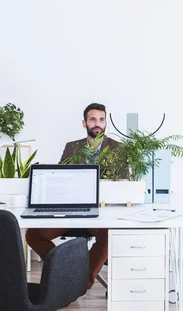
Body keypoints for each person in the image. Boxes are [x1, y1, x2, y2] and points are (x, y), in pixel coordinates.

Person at [25, 103, 120, 290]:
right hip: (71, 209)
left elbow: (123, 183)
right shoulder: (72, 147)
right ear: (84, 123)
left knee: (111, 234)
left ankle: (82, 283)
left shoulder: (117, 148)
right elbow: (61, 177)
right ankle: (65, 271)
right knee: (33, 234)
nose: (97, 124)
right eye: (92, 119)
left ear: (106, 123)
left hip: (100, 212)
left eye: (101, 119)